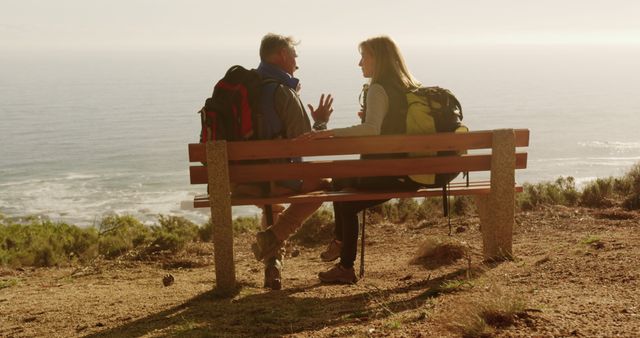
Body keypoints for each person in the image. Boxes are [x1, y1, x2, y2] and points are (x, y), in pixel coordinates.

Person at [300, 36, 422, 283]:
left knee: (342, 191)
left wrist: (328, 132)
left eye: (364, 56)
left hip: (389, 173)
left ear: (378, 59)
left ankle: (342, 254)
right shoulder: (409, 87)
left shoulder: (378, 88)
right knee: (345, 194)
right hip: (412, 173)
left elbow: (371, 130)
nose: (360, 63)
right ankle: (342, 256)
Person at [247, 33, 334, 290]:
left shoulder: (245, 88)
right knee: (323, 186)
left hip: (242, 181)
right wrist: (320, 122)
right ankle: (273, 236)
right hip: (276, 180)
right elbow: (305, 141)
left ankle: (273, 266)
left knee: (271, 206)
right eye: (295, 56)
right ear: (283, 56)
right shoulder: (282, 92)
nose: (297, 62)